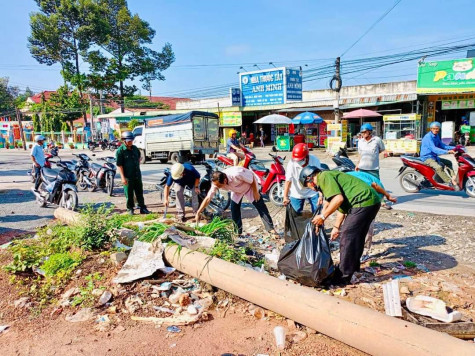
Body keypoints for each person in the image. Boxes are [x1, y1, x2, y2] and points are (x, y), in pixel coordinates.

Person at [300, 166, 381, 285]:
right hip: (371, 202)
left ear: (310, 178)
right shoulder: (329, 179)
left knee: (347, 237)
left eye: (309, 186)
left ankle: (343, 276)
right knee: (356, 237)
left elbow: (338, 199)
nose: (312, 189)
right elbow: (339, 206)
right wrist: (335, 227)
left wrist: (323, 217)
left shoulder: (323, 176)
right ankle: (353, 268)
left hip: (363, 202)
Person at [195, 166, 278, 237]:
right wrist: (199, 212)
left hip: (249, 187)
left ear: (224, 181)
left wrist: (256, 192)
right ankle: (238, 232)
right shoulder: (215, 182)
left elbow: (252, 178)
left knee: (260, 206)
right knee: (234, 209)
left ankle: (271, 229)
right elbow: (208, 198)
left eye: (219, 186)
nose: (218, 188)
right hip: (236, 191)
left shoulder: (236, 173)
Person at [346, 170, 397, 261]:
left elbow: (375, 186)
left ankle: (364, 251)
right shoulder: (338, 183)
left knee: (367, 223)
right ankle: (354, 248)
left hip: (376, 193)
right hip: (361, 195)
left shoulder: (353, 181)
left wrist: (388, 196)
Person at [116, 131, 150, 215]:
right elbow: (119, 165)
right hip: (127, 176)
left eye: (131, 140)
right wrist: (123, 177)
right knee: (129, 194)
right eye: (129, 141)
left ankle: (142, 208)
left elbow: (138, 159)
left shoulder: (135, 149)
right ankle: (130, 209)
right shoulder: (120, 151)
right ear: (123, 141)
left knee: (139, 192)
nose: (130, 142)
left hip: (137, 175)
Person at [283, 143, 322, 214]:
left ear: (307, 156)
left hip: (313, 191)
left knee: (317, 214)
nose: (298, 162)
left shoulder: (314, 160)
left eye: (301, 159)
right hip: (297, 192)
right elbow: (288, 181)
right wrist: (285, 196)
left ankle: (317, 225)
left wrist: (321, 195)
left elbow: (320, 179)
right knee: (295, 215)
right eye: (297, 160)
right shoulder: (291, 164)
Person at [420, 121, 458, 188]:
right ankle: (449, 182)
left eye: (437, 129)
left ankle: (453, 177)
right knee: (438, 167)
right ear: (431, 129)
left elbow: (442, 145)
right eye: (434, 128)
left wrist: (455, 148)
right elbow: (434, 149)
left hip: (434, 156)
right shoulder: (428, 137)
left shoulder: (436, 136)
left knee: (448, 162)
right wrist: (447, 152)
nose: (436, 130)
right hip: (427, 157)